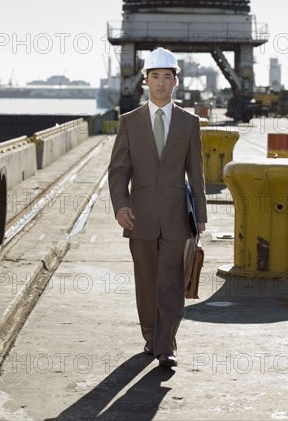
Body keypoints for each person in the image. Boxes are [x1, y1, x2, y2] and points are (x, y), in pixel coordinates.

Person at [108, 47, 207, 368]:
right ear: (145, 82)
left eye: (167, 77)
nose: (161, 83)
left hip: (179, 218)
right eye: (155, 77)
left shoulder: (189, 122)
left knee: (172, 282)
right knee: (147, 282)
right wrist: (120, 206)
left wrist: (201, 216)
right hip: (140, 217)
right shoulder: (129, 122)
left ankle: (166, 344)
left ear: (175, 82)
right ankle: (151, 335)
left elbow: (197, 171)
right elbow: (119, 170)